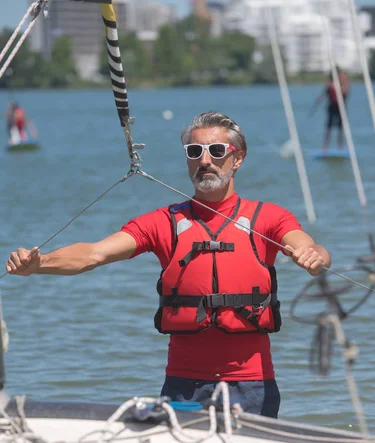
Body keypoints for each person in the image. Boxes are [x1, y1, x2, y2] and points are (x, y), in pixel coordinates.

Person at [6, 111, 330, 418]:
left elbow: (307, 246)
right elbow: (94, 254)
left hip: (252, 385)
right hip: (184, 386)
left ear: (238, 158)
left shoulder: (268, 218)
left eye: (216, 151)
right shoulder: (164, 222)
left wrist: (314, 258)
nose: (205, 161)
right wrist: (40, 263)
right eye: (194, 152)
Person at [314, 67, 350, 151]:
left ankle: (340, 148)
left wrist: (335, 86)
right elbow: (323, 94)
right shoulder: (330, 84)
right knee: (328, 129)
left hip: (341, 108)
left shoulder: (345, 84)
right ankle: (325, 148)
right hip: (331, 107)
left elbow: (345, 91)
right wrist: (319, 99)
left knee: (340, 129)